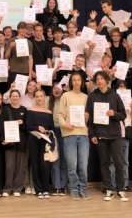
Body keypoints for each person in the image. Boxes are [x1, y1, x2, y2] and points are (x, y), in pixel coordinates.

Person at [85, 71, 128, 202]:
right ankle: (109, 189)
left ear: (107, 80)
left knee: (119, 163)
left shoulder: (115, 95)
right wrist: (92, 134)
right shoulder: (92, 96)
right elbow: (89, 117)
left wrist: (114, 113)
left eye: (102, 79)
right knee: (104, 163)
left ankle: (120, 189)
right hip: (100, 135)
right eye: (97, 79)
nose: (99, 81)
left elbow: (123, 115)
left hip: (115, 135)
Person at [57, 72, 90, 200]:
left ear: (82, 82)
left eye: (78, 80)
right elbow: (60, 115)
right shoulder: (65, 96)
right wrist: (65, 125)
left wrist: (87, 117)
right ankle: (74, 189)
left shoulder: (86, 97)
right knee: (72, 165)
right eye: (74, 80)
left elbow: (89, 117)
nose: (76, 82)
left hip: (83, 134)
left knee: (83, 165)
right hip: (69, 134)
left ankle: (83, 188)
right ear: (71, 82)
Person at [26, 89, 54, 199]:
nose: (39, 98)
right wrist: (37, 127)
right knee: (35, 164)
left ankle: (45, 189)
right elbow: (27, 126)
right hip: (33, 140)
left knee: (45, 165)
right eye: (37, 96)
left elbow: (51, 128)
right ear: (35, 98)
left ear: (45, 97)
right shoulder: (31, 110)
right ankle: (38, 190)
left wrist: (47, 132)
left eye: (41, 96)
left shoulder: (49, 112)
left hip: (45, 141)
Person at [0, 89, 28, 197]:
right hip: (9, 142)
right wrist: (3, 139)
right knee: (9, 166)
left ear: (20, 97)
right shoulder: (6, 109)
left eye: (17, 96)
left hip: (21, 142)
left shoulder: (24, 110)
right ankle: (7, 188)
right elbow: (2, 125)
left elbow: (27, 127)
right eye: (13, 96)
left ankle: (17, 188)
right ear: (10, 98)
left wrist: (22, 124)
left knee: (20, 167)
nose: (15, 98)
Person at [49, 84, 68, 196]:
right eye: (54, 88)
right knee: (55, 159)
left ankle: (63, 186)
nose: (57, 90)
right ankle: (56, 186)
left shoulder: (66, 100)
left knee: (64, 160)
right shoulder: (48, 101)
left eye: (59, 88)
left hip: (64, 130)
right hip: (52, 132)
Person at [116, 80, 132, 191]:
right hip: (116, 132)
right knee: (113, 160)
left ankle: (125, 184)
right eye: (120, 87)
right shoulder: (113, 99)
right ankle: (113, 184)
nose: (122, 88)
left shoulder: (130, 100)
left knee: (125, 161)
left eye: (124, 86)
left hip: (126, 132)